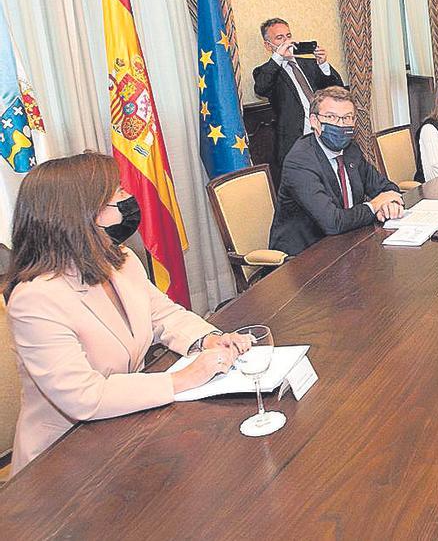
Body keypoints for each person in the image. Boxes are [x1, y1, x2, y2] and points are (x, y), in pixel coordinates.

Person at [3, 153, 252, 473]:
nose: (128, 199)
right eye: (117, 193)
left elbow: (163, 315)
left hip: (128, 431)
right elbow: (83, 397)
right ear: (82, 214)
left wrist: (209, 340)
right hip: (65, 462)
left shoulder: (120, 261)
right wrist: (182, 379)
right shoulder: (35, 299)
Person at [269, 86, 405, 256]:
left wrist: (390, 204)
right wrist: (375, 205)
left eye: (347, 118)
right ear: (314, 121)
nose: (341, 125)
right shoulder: (300, 161)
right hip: (304, 258)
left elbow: (386, 188)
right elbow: (332, 222)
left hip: (348, 243)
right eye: (331, 117)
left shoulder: (351, 150)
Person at [253, 17, 344, 179]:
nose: (287, 41)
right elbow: (261, 88)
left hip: (327, 132)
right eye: (280, 38)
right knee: (305, 183)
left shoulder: (310, 64)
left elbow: (337, 89)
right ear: (268, 45)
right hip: (296, 139)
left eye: (288, 36)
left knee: (333, 180)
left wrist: (323, 65)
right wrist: (278, 57)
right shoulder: (267, 71)